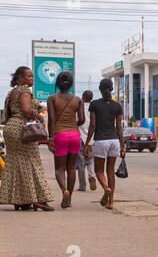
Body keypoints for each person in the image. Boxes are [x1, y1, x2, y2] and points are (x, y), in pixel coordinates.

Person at [0, 66, 54, 211]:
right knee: (32, 162)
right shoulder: (24, 90)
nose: (32, 79)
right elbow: (26, 110)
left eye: (32, 76)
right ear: (20, 78)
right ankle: (38, 199)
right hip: (21, 128)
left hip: (10, 128)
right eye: (29, 76)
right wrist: (39, 116)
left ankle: (21, 200)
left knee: (16, 163)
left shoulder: (12, 92)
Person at [85, 78, 125, 210]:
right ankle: (111, 202)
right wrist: (123, 146)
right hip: (114, 141)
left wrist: (86, 144)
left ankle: (106, 188)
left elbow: (92, 125)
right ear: (112, 89)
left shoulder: (94, 104)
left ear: (100, 90)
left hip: (101, 141)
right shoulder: (117, 106)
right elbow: (119, 128)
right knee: (110, 172)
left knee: (98, 170)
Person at [47, 72, 85, 208]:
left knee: (59, 169)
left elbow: (51, 119)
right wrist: (73, 126)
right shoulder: (78, 100)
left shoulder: (52, 98)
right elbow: (82, 120)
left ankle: (65, 191)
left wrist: (50, 138)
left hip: (60, 135)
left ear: (57, 83)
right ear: (71, 83)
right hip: (75, 136)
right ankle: (69, 199)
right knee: (71, 169)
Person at [77, 90, 96, 192]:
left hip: (80, 138)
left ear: (83, 97)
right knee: (91, 160)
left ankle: (82, 186)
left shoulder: (79, 108)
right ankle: (92, 175)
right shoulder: (94, 109)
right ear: (91, 98)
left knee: (81, 163)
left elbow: (77, 122)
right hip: (91, 139)